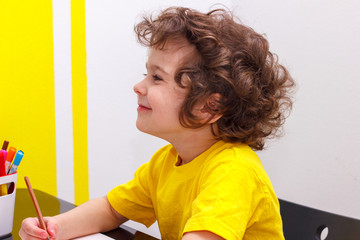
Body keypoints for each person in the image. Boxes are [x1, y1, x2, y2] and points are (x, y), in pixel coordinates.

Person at [19, 6, 295, 240]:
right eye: (146, 74)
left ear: (209, 106)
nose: (139, 87)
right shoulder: (166, 162)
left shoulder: (234, 171)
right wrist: (54, 227)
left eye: (157, 78)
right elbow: (111, 210)